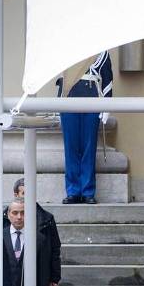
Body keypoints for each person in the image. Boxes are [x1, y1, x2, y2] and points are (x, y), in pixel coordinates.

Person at [56, 51, 113, 204]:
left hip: (92, 98)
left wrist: (107, 106)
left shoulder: (101, 50)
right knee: (71, 147)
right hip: (68, 98)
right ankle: (73, 191)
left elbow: (107, 79)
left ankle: (88, 191)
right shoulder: (65, 47)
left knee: (89, 148)